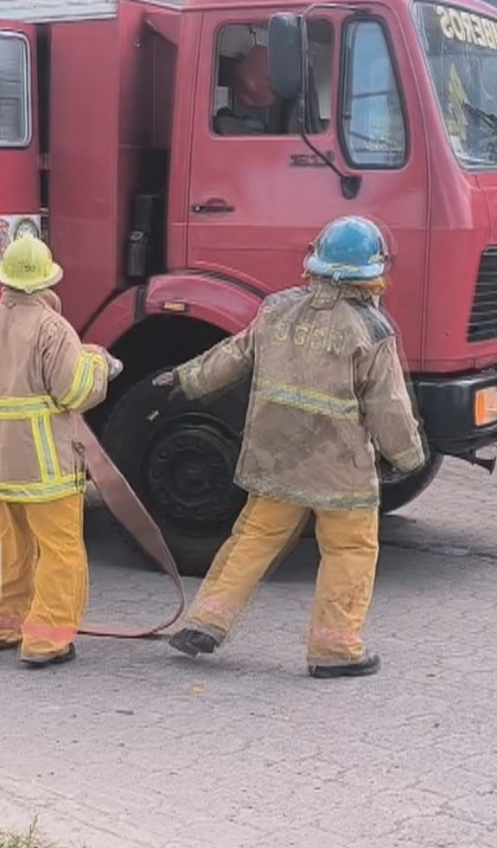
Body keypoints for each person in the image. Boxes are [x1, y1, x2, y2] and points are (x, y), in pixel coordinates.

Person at [155, 215, 425, 679]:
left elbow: (231, 357)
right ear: (371, 273)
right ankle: (335, 650)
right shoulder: (372, 331)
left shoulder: (276, 310)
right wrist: (408, 459)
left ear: (315, 264)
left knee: (252, 541)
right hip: (340, 470)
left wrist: (183, 380)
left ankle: (206, 621)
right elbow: (389, 407)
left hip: (275, 458)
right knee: (350, 550)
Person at [0, 234, 120, 668]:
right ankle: (46, 641)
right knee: (60, 552)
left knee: (6, 544)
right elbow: (75, 390)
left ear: (5, 280)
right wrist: (101, 365)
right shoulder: (53, 329)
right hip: (47, 469)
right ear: (46, 282)